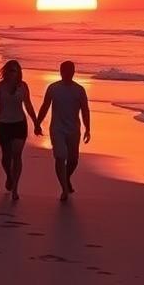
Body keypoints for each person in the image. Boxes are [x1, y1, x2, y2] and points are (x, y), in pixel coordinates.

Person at [35, 60, 90, 202]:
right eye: (64, 71)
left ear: (73, 72)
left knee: (73, 160)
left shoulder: (79, 90)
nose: (67, 74)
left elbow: (85, 110)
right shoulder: (53, 88)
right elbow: (45, 106)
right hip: (57, 129)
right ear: (60, 72)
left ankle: (66, 178)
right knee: (60, 157)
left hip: (73, 130)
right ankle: (64, 189)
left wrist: (88, 129)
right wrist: (37, 123)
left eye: (70, 71)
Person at [0, 60, 38, 202]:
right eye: (10, 70)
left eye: (15, 71)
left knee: (17, 155)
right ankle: (9, 175)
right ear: (5, 72)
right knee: (6, 156)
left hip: (19, 124)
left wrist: (36, 122)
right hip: (3, 124)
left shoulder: (23, 86)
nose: (12, 73)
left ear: (19, 72)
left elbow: (28, 105)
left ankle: (15, 188)